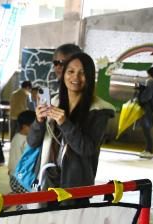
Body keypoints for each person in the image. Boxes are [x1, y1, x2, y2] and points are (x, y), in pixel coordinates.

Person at [27, 52, 115, 189]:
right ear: (64, 75)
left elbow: (87, 149)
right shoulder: (54, 103)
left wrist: (64, 123)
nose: (76, 77)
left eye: (82, 73)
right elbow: (32, 142)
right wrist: (39, 121)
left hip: (75, 184)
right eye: (71, 71)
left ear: (90, 77)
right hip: (46, 178)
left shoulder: (99, 111)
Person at [8, 110, 36, 194]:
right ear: (25, 126)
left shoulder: (16, 137)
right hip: (21, 179)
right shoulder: (27, 140)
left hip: (13, 176)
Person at [138, 65, 153, 159]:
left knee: (146, 128)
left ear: (151, 74)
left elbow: (147, 97)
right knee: (147, 128)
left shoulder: (151, 82)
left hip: (150, 109)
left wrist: (140, 92)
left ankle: (149, 150)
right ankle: (148, 149)